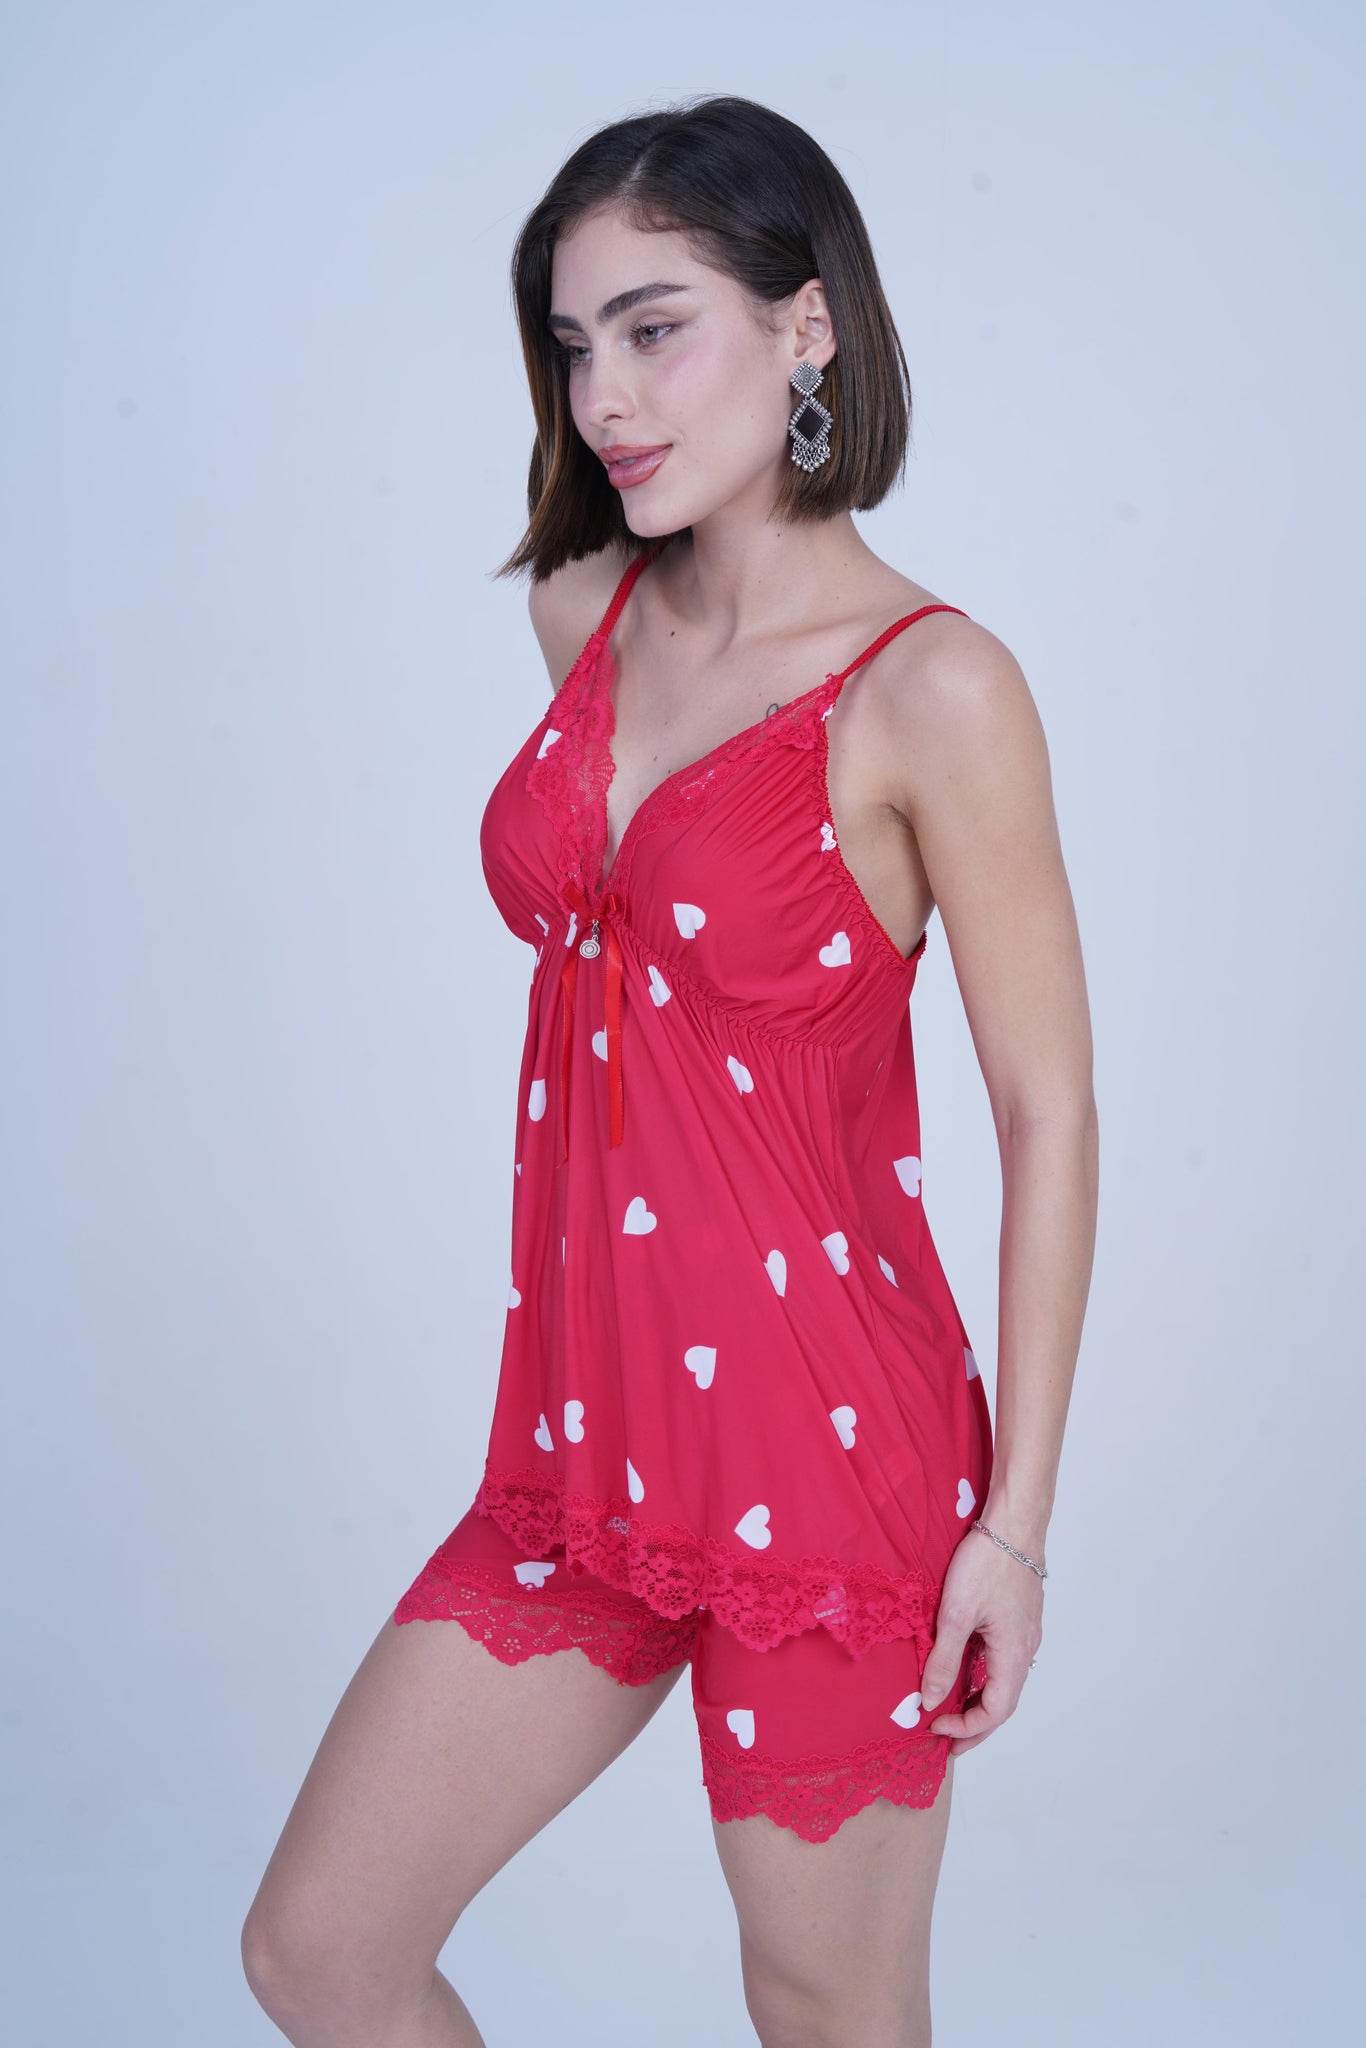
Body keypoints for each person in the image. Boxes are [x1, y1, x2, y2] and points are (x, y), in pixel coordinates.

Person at [242, 92, 1097, 2048]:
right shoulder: (583, 612)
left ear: (805, 325)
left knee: (822, 2010)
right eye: (571, 345)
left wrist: (1013, 1530)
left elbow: (1046, 1114)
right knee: (322, 1950)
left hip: (834, 1470)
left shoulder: (933, 688)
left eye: (653, 329)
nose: (604, 396)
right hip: (579, 1463)